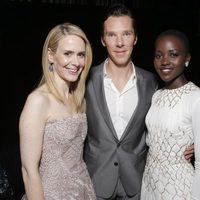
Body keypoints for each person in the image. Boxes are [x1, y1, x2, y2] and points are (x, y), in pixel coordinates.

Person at [83, 4, 194, 200]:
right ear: (102, 40)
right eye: (111, 35)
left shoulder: (152, 82)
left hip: (137, 184)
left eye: (126, 34)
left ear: (135, 38)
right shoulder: (86, 80)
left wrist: (192, 140)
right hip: (95, 182)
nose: (119, 42)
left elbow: (171, 116)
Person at [19, 22, 96, 200]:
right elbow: (29, 170)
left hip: (83, 192)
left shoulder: (78, 99)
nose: (76, 62)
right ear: (51, 55)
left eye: (81, 55)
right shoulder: (38, 101)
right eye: (68, 54)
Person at [141, 29, 200, 199]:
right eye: (159, 55)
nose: (164, 61)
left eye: (173, 55)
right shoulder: (156, 95)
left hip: (179, 188)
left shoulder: (196, 97)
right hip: (150, 183)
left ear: (187, 59)